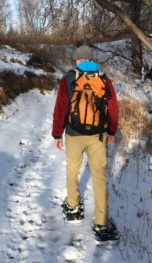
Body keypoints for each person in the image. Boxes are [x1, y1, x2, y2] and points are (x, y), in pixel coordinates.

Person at [51, 45, 119, 243]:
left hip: (73, 133)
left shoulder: (68, 79)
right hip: (97, 135)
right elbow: (113, 107)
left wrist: (57, 133)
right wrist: (111, 131)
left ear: (76, 60)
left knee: (72, 169)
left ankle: (72, 208)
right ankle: (102, 224)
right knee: (99, 177)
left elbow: (61, 108)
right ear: (91, 59)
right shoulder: (104, 79)